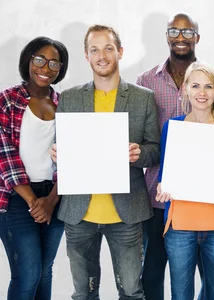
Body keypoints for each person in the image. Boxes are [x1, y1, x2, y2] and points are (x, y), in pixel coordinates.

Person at [135, 13, 214, 299]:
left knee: (213, 281)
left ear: (197, 36)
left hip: (213, 205)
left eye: (187, 31)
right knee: (156, 272)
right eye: (174, 31)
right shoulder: (146, 81)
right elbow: (143, 140)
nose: (180, 37)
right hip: (164, 201)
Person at [51, 24, 160, 299]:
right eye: (95, 49)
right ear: (86, 55)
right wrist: (56, 153)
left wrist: (139, 154)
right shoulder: (70, 98)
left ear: (120, 52)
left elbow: (155, 150)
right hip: (79, 214)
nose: (102, 55)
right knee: (83, 294)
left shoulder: (142, 98)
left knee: (132, 292)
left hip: (126, 214)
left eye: (108, 48)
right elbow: (60, 148)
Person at [0, 36, 69, 300]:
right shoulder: (6, 101)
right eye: (40, 60)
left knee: (45, 273)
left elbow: (72, 159)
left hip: (55, 198)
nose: (46, 69)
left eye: (54, 63)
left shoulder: (65, 106)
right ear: (28, 60)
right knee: (28, 274)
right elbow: (4, 157)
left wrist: (51, 200)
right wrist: (36, 202)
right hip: (16, 198)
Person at [155, 62, 214, 300]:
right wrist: (162, 186)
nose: (202, 93)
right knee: (180, 296)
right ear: (185, 90)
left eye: (208, 86)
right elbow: (165, 171)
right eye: (195, 86)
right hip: (180, 225)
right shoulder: (172, 127)